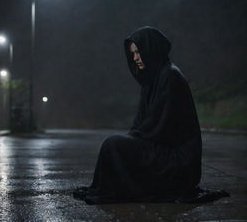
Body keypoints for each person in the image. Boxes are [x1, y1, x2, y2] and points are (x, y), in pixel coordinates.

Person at [73, 26, 228, 204]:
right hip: (164, 153)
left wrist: (130, 145)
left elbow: (159, 129)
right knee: (115, 145)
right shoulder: (152, 80)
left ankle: (114, 189)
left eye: (139, 52)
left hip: (180, 163)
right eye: (133, 54)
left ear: (151, 49)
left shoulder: (170, 76)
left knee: (114, 145)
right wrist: (130, 143)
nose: (135, 58)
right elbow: (140, 124)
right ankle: (108, 188)